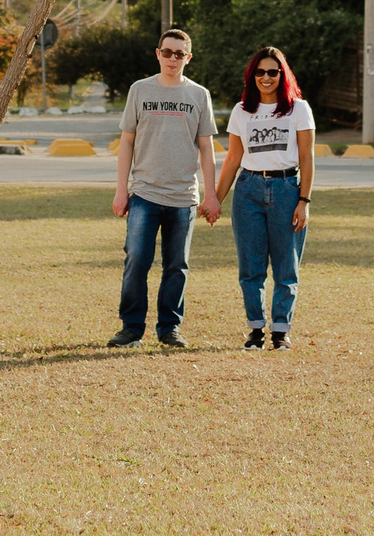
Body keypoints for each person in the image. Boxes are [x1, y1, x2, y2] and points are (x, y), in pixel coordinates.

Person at [108, 27, 219, 348]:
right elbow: (126, 142)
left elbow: (207, 149)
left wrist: (210, 194)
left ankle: (170, 328)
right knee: (136, 261)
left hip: (183, 197)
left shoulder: (199, 95)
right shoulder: (139, 91)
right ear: (158, 54)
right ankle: (131, 328)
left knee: (176, 266)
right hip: (144, 193)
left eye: (179, 54)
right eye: (167, 52)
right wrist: (120, 190)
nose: (173, 59)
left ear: (188, 58)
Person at [217, 44, 313, 349]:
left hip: (287, 190)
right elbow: (233, 159)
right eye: (260, 72)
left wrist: (304, 202)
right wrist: (214, 200)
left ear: (282, 75)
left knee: (287, 266)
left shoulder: (299, 109)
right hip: (248, 191)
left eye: (273, 71)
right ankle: (256, 331)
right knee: (251, 266)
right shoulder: (242, 111)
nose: (266, 77)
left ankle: (281, 332)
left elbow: (308, 158)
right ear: (252, 76)